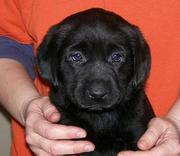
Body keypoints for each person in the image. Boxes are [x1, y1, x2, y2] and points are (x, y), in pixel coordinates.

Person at [0, 0, 179, 156]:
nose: (98, 89)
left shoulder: (137, 111)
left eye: (116, 57)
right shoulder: (55, 114)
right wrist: (26, 106)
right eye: (76, 57)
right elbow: (6, 43)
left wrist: (177, 122)